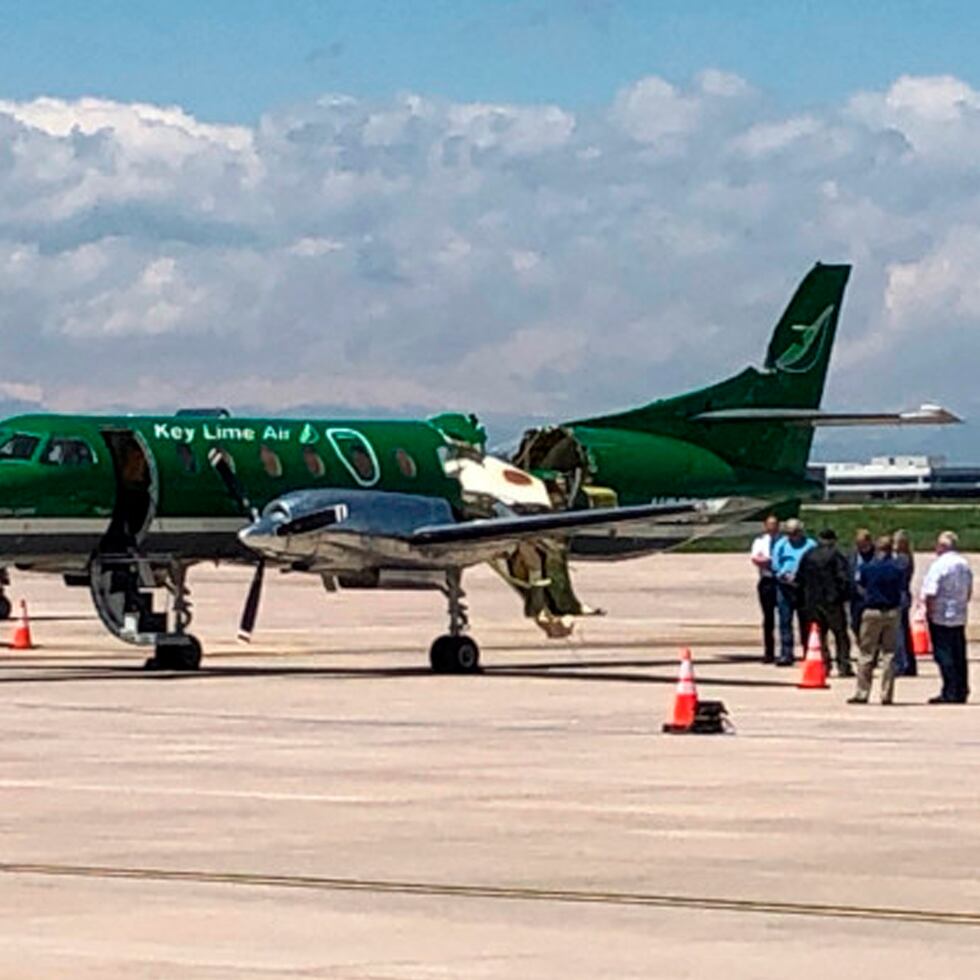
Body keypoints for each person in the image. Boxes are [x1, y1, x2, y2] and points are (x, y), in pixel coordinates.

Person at [848, 535, 904, 705]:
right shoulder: (897, 568)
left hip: (871, 611)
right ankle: (886, 694)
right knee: (889, 654)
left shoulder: (867, 567)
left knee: (866, 653)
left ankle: (862, 692)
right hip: (892, 612)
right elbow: (902, 587)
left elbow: (860, 586)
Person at [920, 531, 973, 704]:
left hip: (941, 615)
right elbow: (969, 590)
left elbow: (930, 592)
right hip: (959, 613)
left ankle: (949, 690)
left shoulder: (939, 565)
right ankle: (961, 689)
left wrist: (928, 612)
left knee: (944, 654)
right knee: (959, 654)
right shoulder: (964, 564)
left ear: (942, 547)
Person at [798, 528, 853, 676]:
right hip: (832, 600)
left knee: (819, 635)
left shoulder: (808, 555)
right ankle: (843, 665)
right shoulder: (836, 555)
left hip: (813, 601)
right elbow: (843, 578)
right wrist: (844, 596)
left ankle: (824, 664)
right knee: (840, 634)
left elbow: (799, 578)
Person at [771, 518, 816, 666]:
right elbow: (775, 564)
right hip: (785, 586)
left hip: (803, 586)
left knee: (805, 621)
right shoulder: (781, 545)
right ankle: (786, 653)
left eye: (795, 533)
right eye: (789, 533)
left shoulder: (810, 545)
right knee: (785, 621)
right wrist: (782, 574)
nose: (792, 536)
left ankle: (807, 650)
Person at [749, 515, 781, 663]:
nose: (772, 527)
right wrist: (771, 563)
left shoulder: (783, 541)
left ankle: (786, 650)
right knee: (768, 618)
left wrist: (770, 562)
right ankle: (769, 652)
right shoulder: (760, 541)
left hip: (781, 581)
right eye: (769, 524)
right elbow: (757, 559)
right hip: (767, 581)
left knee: (785, 617)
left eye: (774, 524)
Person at [892, 529, 917, 677]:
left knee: (899, 632)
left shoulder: (902, 559)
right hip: (904, 596)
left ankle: (902, 663)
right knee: (903, 632)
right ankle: (908, 663)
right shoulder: (906, 557)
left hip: (900, 597)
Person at [848, 528, 876, 642]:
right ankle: (861, 642)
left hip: (870, 593)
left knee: (870, 624)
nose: (861, 548)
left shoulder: (876, 555)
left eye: (864, 545)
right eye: (859, 545)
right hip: (855, 594)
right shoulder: (851, 555)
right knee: (855, 623)